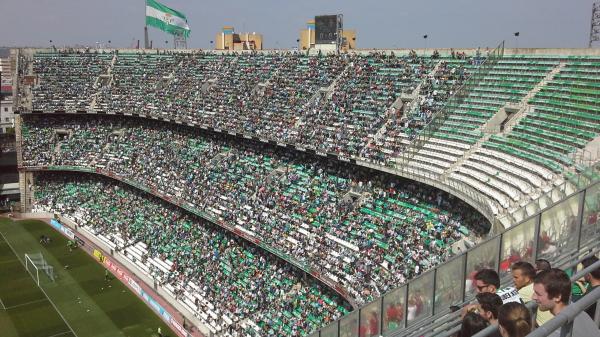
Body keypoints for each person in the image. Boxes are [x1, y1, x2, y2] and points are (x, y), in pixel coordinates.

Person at [532, 268, 600, 337]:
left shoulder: (558, 332)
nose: (533, 297)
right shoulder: (579, 312)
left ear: (557, 297)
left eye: (538, 294)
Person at [511, 261, 553, 326]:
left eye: (516, 277)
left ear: (527, 279)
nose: (513, 280)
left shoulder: (523, 292)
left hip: (543, 329)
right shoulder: (540, 284)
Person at [573, 255, 599, 321]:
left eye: (583, 270)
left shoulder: (593, 293)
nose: (581, 272)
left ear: (588, 275)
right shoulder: (594, 287)